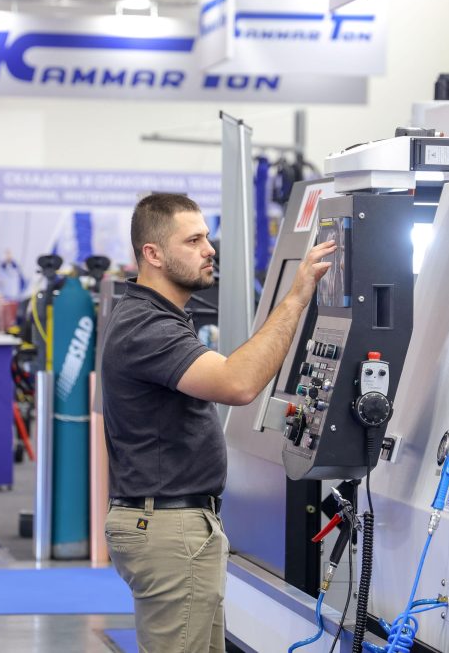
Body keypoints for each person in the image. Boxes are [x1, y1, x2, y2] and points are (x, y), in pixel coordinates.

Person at [101, 192, 335, 652]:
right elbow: (238, 383)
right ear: (153, 254)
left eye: (206, 237)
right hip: (168, 527)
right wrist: (297, 296)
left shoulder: (158, 317)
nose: (210, 249)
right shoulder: (147, 326)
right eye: (193, 240)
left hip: (176, 523)